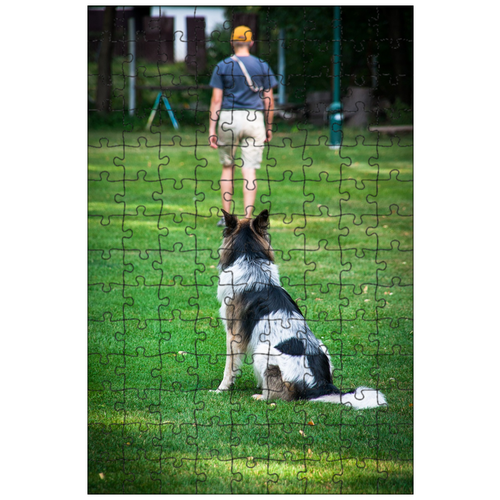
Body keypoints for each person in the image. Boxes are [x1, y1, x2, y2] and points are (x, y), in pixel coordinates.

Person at [209, 25, 278, 225]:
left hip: (228, 119)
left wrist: (212, 129)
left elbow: (216, 100)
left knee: (227, 166)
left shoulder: (222, 66)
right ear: (251, 43)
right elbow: (269, 100)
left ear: (232, 42)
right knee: (249, 170)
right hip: (253, 119)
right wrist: (269, 126)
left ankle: (226, 217)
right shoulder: (262, 65)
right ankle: (247, 218)